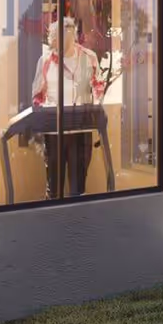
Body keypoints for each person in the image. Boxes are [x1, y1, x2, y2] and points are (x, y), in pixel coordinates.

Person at [30, 17, 103, 198]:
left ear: (72, 34)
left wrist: (95, 107)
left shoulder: (88, 57)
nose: (55, 41)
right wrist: (44, 112)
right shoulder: (46, 60)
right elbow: (37, 95)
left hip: (81, 129)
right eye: (54, 37)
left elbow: (99, 88)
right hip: (54, 131)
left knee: (78, 188)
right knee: (54, 188)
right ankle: (53, 214)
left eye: (61, 35)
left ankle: (77, 215)